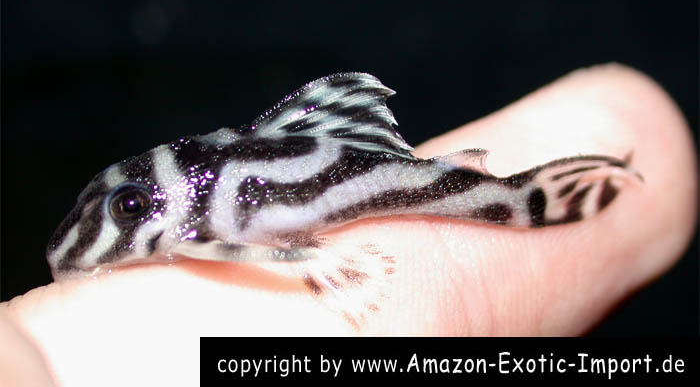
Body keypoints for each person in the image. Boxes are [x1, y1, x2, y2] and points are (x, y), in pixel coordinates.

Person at [1, 63, 696, 386]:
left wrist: (306, 261)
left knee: (510, 202)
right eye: (130, 207)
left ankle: (530, 203)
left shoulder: (206, 224)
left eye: (131, 209)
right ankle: (531, 201)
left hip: (357, 175)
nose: (128, 218)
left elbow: (243, 249)